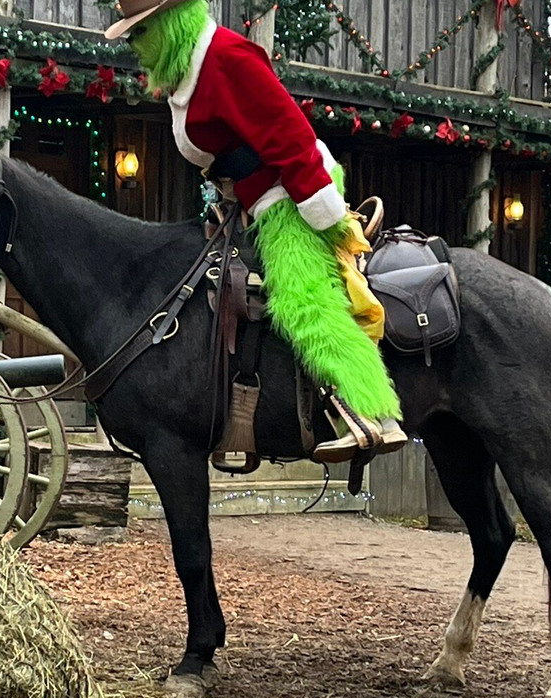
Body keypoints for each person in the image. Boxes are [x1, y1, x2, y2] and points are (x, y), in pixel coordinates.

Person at [106, 0, 407, 462]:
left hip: (293, 193)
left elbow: (290, 136)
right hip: (249, 202)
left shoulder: (228, 58)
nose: (134, 44)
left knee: (303, 301)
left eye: (139, 31)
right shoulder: (186, 71)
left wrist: (322, 215)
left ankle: (371, 414)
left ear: (168, 22)